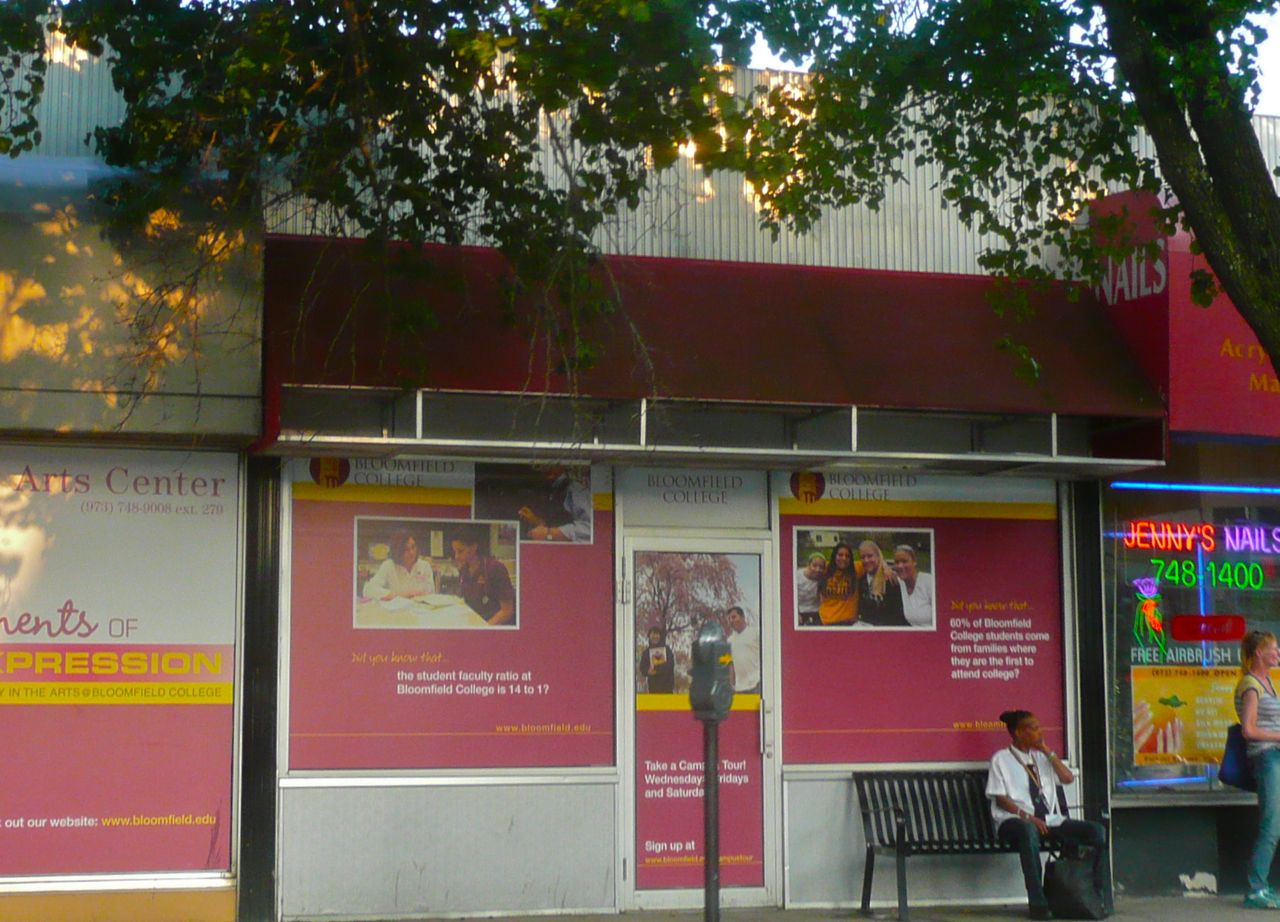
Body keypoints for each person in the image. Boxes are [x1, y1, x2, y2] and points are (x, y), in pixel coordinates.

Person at [987, 709, 1107, 920]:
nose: (1039, 732)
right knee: (1028, 832)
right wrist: (1028, 817)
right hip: (1014, 821)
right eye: (1033, 729)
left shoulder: (1042, 757)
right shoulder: (1001, 759)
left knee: (1095, 831)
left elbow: (1068, 778)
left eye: (1039, 727)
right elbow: (1000, 799)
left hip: (1049, 820)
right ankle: (1038, 903)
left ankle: (1093, 895)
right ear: (1018, 732)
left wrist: (1046, 750)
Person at [1237, 629, 1280, 908]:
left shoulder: (1268, 682)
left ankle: (1262, 885)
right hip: (1266, 758)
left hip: (1275, 756)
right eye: (1273, 648)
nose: (1278, 653)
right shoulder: (1251, 685)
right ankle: (1256, 888)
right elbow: (1248, 730)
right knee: (1271, 825)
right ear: (1258, 653)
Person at [451, 530, 515, 626]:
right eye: (455, 552)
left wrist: (484, 629)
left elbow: (507, 611)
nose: (456, 556)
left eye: (460, 551)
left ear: (474, 547)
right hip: (473, 621)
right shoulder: (464, 570)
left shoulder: (495, 568)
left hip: (493, 624)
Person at [519, 466, 592, 542]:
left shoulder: (576, 490)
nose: (544, 467)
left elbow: (590, 528)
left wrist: (550, 534)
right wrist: (537, 521)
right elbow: (556, 522)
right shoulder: (547, 488)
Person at [363, 529, 435, 600]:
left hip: (420, 606)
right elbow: (369, 590)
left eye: (413, 547)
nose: (412, 552)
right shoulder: (388, 566)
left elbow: (431, 592)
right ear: (398, 551)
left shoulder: (424, 566)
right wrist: (397, 595)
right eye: (406, 549)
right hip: (396, 606)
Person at [856, 541, 908, 627]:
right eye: (863, 557)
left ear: (878, 556)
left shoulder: (890, 579)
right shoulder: (861, 581)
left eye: (870, 556)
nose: (866, 560)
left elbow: (897, 615)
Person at [892, 544, 934, 628]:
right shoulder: (900, 582)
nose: (900, 566)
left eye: (904, 561)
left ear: (914, 562)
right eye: (897, 562)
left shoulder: (929, 581)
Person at [817, 543, 859, 625]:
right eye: (840, 555)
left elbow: (876, 561)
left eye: (847, 556)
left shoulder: (856, 569)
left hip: (848, 622)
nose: (844, 558)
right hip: (825, 620)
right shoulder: (825, 568)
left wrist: (884, 566)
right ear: (834, 556)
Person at [726, 605, 761, 693]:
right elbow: (730, 664)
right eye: (729, 619)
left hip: (757, 683)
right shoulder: (729, 641)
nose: (731, 621)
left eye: (734, 617)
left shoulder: (756, 633)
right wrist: (731, 684)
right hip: (740, 688)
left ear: (742, 617)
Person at [639, 627, 675, 693]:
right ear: (649, 636)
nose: (655, 636)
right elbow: (642, 668)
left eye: (657, 634)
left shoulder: (667, 650)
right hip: (653, 687)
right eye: (653, 634)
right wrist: (648, 671)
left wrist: (660, 669)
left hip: (667, 687)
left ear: (660, 636)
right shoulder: (646, 653)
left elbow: (671, 664)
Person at [796, 552, 827, 626]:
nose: (818, 569)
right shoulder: (797, 576)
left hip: (816, 612)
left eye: (821, 567)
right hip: (800, 610)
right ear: (808, 565)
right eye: (814, 565)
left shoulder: (823, 579)